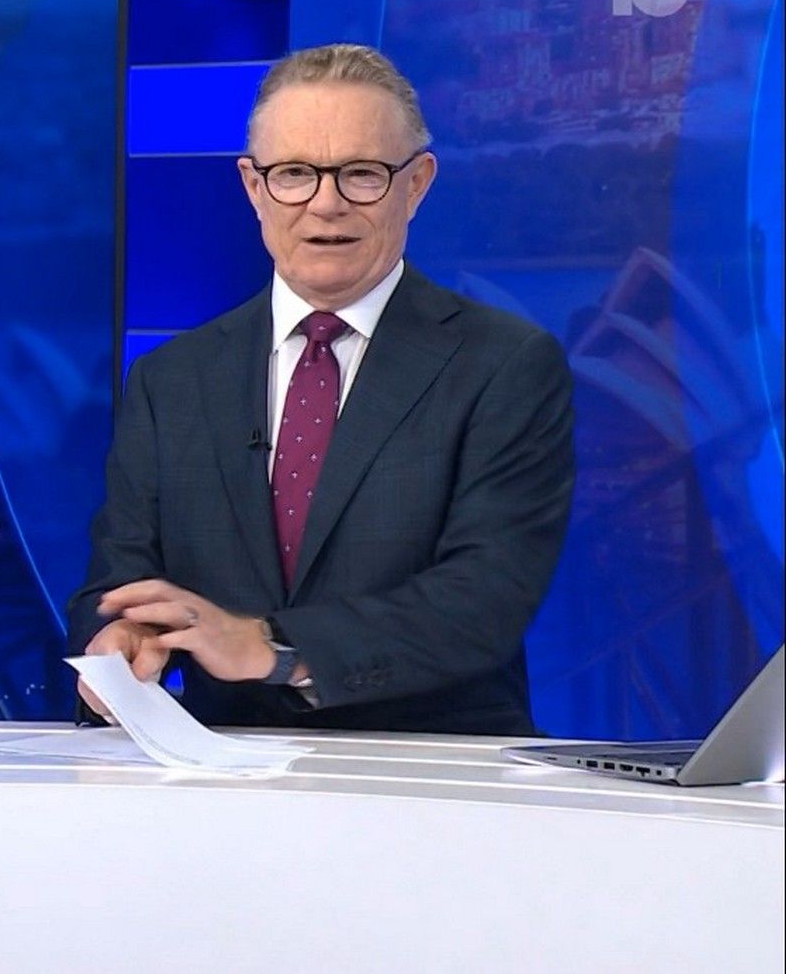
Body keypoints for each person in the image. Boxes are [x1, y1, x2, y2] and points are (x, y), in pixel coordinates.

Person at [69, 44, 574, 735]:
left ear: (416, 184)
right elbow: (118, 579)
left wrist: (273, 648)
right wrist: (119, 641)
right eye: (294, 174)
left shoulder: (504, 365)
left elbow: (484, 598)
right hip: (223, 769)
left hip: (434, 769)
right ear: (253, 186)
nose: (325, 204)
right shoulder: (172, 378)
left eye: (362, 174)